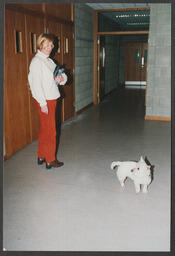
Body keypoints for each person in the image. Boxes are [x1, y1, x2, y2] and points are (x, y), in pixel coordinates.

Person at [28, 33, 67, 169]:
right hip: (45, 100)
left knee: (45, 129)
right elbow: (35, 85)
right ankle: (50, 159)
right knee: (51, 131)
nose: (49, 47)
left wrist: (62, 79)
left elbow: (61, 75)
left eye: (51, 45)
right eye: (46, 45)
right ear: (40, 44)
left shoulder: (49, 61)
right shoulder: (37, 62)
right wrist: (42, 103)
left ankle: (41, 155)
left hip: (51, 98)